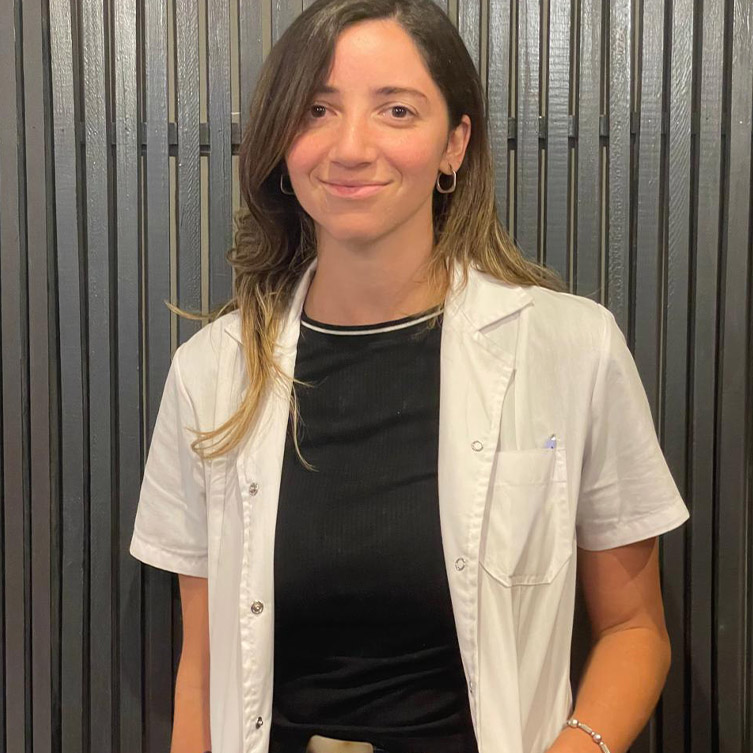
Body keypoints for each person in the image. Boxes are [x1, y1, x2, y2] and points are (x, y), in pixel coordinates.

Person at [129, 1, 690, 752]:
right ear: (280, 141)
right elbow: (201, 669)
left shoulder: (571, 347)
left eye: (396, 110)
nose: (351, 147)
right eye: (317, 109)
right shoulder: (212, 373)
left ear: (454, 143)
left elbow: (634, 630)